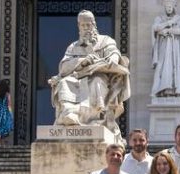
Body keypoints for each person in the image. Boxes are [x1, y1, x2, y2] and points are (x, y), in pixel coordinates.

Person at [47, 10, 130, 138]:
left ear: (94, 25)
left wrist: (111, 60)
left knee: (96, 82)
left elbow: (114, 53)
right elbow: (63, 67)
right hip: (76, 77)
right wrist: (82, 61)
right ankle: (69, 113)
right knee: (64, 82)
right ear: (79, 27)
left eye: (88, 25)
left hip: (99, 77)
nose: (86, 28)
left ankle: (94, 116)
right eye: (83, 25)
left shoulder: (105, 40)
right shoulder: (73, 46)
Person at [151, 0, 180, 99]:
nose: (169, 9)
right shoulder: (160, 18)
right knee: (162, 67)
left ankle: (173, 90)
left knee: (174, 68)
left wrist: (169, 31)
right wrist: (167, 24)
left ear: (173, 8)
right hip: (163, 47)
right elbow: (156, 28)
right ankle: (160, 90)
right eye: (167, 7)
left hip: (175, 48)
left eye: (170, 7)